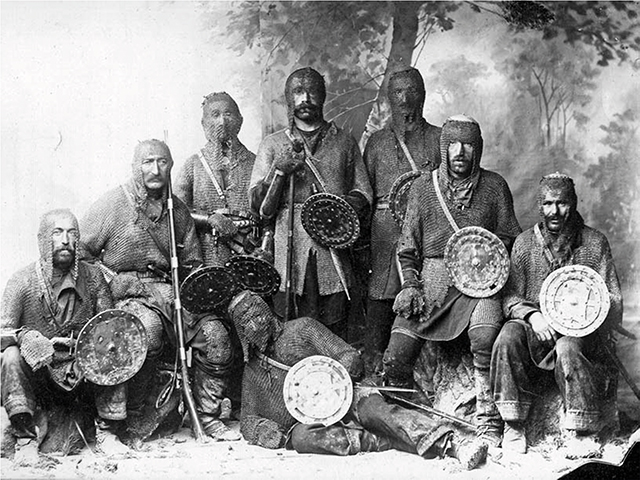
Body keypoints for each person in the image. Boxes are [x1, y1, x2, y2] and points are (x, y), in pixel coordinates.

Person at [80, 139, 239, 443]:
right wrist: (112, 282)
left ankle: (206, 415)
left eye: (162, 162)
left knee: (216, 336)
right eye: (147, 162)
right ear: (134, 166)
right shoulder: (112, 204)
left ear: (170, 166)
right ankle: (120, 422)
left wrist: (194, 291)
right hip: (128, 294)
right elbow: (83, 255)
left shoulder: (177, 210)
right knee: (147, 332)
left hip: (171, 292)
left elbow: (192, 262)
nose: (155, 169)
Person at [228, 290, 488, 470]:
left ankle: (452, 443)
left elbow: (346, 354)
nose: (255, 323)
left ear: (268, 311)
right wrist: (261, 430)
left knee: (377, 412)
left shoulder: (302, 329)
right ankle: (382, 441)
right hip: (309, 420)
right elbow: (249, 419)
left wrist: (346, 365)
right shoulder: (252, 372)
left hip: (348, 394)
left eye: (258, 314)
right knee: (301, 440)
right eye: (247, 322)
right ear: (242, 332)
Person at [382, 115, 522, 446]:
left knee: (485, 338)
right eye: (454, 144)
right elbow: (407, 248)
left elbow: (511, 239)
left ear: (478, 149)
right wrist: (410, 285)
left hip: (480, 281)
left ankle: (488, 419)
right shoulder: (422, 188)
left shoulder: (494, 186)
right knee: (397, 353)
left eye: (469, 144)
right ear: (444, 148)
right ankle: (405, 419)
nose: (461, 152)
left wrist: (485, 257)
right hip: (433, 278)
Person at [491, 173, 623, 456]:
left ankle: (582, 428)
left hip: (579, 334)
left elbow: (613, 297)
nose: (554, 211)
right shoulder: (525, 244)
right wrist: (532, 317)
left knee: (567, 347)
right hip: (536, 328)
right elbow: (511, 297)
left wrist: (586, 311)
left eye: (561, 203)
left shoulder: (594, 243)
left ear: (573, 204)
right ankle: (513, 423)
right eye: (548, 203)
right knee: (507, 337)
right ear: (539, 205)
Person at [249, 67, 373, 340]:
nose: (305, 98)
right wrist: (279, 172)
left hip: (332, 248)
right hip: (287, 247)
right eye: (297, 92)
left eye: (312, 91)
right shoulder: (272, 144)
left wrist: (338, 210)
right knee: (289, 325)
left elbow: (364, 194)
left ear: (323, 96)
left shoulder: (344, 142)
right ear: (288, 99)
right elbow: (257, 204)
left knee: (334, 325)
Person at [1, 209, 123, 462]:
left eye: (72, 233)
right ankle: (24, 437)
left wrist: (89, 344)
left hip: (82, 370)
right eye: (57, 232)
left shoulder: (93, 278)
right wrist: (25, 337)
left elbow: (109, 325)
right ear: (44, 238)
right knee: (11, 356)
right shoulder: (22, 281)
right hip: (41, 373)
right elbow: (2, 333)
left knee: (113, 347)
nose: (66, 240)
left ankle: (108, 432)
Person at [362, 66, 441, 370]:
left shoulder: (438, 139)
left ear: (422, 95)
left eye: (412, 90)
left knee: (429, 296)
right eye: (397, 92)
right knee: (381, 296)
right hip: (384, 231)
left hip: (428, 231)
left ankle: (424, 371)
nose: (405, 98)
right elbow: (366, 194)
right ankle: (373, 368)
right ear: (388, 99)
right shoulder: (377, 142)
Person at [174, 92, 259, 266]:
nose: (222, 121)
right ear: (204, 123)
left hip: (248, 254)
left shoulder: (256, 163)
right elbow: (177, 211)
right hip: (206, 254)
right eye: (215, 115)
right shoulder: (193, 165)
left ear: (240, 120)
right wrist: (208, 219)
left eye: (228, 114)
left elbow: (270, 214)